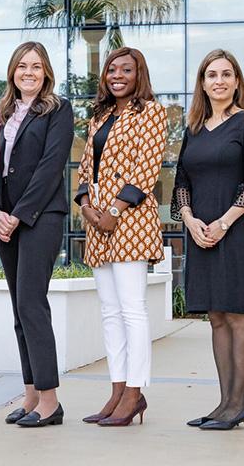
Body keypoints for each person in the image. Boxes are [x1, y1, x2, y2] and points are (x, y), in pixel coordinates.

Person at [173, 49, 244, 431]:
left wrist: (223, 223)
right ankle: (223, 404)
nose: (219, 81)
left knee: (236, 314)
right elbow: (181, 182)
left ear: (236, 81)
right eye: (211, 75)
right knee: (215, 318)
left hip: (233, 232)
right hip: (200, 232)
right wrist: (190, 220)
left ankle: (239, 404)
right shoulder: (193, 129)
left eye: (226, 74)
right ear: (202, 83)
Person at [73, 47, 166, 427]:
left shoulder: (152, 113)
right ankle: (116, 388)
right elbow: (85, 167)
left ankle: (136, 392)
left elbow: (147, 167)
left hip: (130, 220)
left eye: (126, 69)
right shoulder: (100, 114)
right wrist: (85, 206)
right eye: (112, 69)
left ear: (138, 74)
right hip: (98, 224)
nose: (118, 75)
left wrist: (114, 211)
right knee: (110, 313)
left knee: (132, 310)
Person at [0, 41, 72, 428]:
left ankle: (51, 401)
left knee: (32, 304)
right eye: (22, 65)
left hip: (40, 218)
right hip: (6, 220)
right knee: (20, 310)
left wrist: (18, 215)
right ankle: (32, 394)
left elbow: (51, 167)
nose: (29, 72)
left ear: (46, 72)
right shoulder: (0, 113)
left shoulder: (58, 110)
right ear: (12, 71)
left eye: (36, 66)